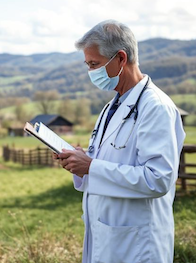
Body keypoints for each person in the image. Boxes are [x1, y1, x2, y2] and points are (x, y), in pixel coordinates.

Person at [54, 20, 186, 263]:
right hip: (108, 236)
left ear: (121, 58)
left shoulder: (155, 107)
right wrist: (79, 161)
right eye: (88, 65)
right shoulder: (112, 106)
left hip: (137, 244)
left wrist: (91, 167)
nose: (90, 72)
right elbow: (109, 161)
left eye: (94, 64)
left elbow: (158, 179)